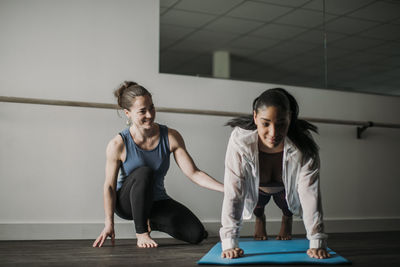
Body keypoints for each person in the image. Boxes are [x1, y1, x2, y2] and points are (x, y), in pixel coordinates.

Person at [93, 81, 224, 248]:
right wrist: (109, 223)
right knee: (144, 172)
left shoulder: (171, 136)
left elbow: (194, 173)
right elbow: (109, 187)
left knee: (197, 234)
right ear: (128, 113)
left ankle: (150, 221)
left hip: (156, 201)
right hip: (126, 204)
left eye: (152, 108)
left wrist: (225, 188)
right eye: (142, 111)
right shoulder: (118, 144)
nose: (150, 114)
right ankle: (141, 233)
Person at [219, 88, 330, 259]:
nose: (273, 133)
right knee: (256, 203)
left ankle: (287, 219)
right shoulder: (240, 141)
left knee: (287, 206)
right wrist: (229, 242)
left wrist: (317, 240)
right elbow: (234, 192)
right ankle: (260, 218)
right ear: (255, 117)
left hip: (285, 190)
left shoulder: (304, 146)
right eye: (265, 124)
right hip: (257, 190)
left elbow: (310, 194)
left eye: (281, 124)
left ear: (290, 119)